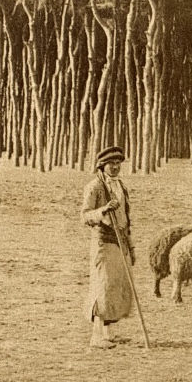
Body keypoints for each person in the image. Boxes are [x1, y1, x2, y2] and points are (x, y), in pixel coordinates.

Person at [81, 146, 136, 348]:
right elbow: (85, 215)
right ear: (102, 166)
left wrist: (131, 245)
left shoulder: (121, 186)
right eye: (111, 164)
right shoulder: (94, 187)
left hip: (120, 242)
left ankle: (108, 334)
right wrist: (104, 209)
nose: (115, 167)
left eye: (118, 164)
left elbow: (127, 218)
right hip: (103, 241)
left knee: (115, 287)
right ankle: (96, 337)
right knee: (102, 286)